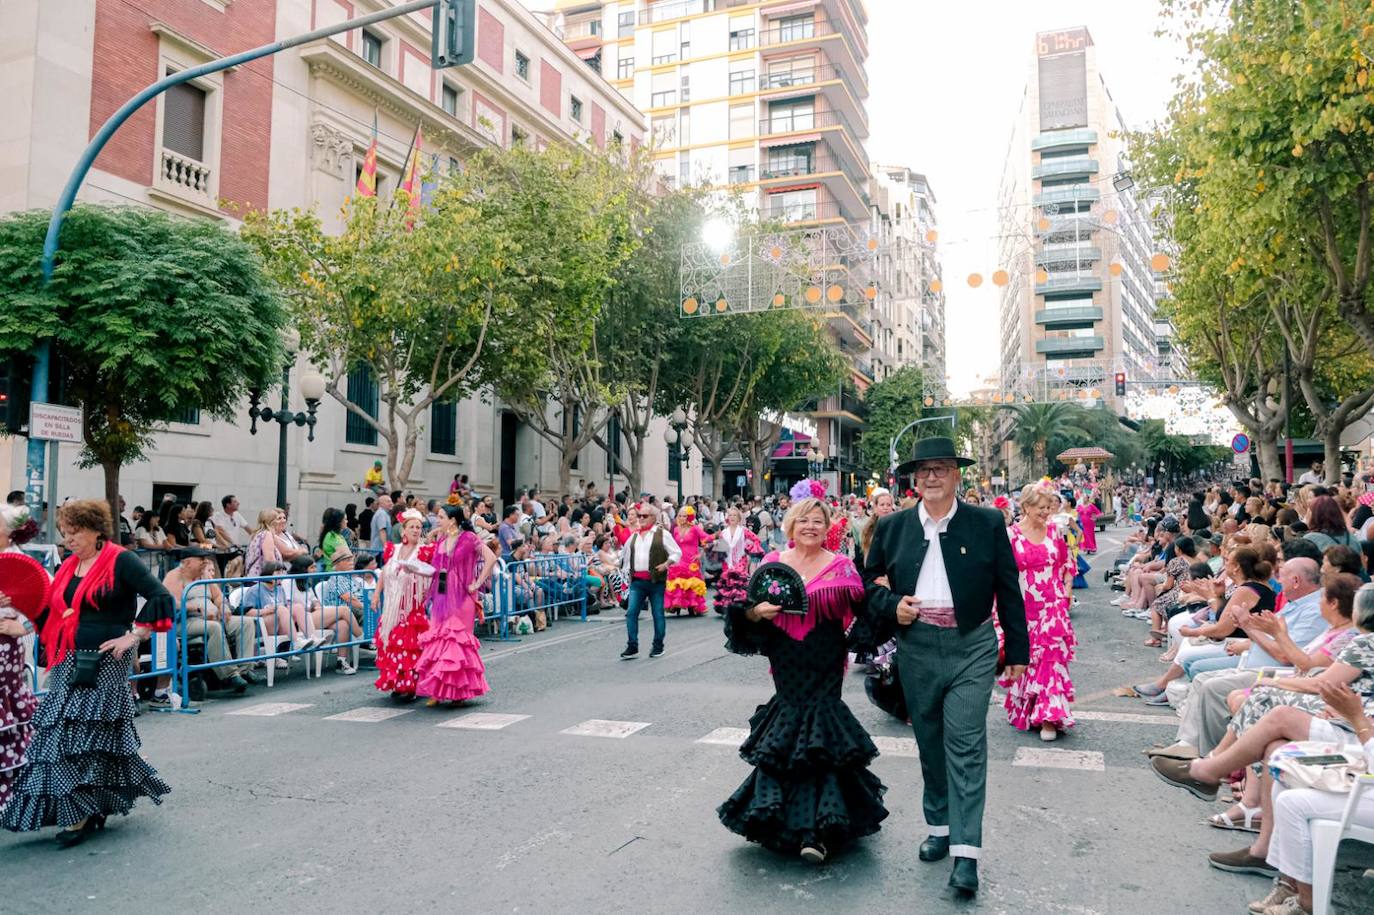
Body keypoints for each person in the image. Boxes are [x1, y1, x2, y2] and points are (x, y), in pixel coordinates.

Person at [863, 437, 1029, 897]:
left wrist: (1018, 652)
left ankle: (966, 854)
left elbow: (1008, 587)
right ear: (914, 479)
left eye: (941, 468)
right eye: (924, 470)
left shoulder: (987, 522)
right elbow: (866, 582)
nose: (932, 476)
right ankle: (939, 826)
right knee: (929, 741)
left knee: (966, 744)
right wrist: (892, 605)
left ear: (957, 475)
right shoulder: (892, 526)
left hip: (971, 645)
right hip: (916, 645)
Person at [718, 497, 890, 864]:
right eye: (803, 520)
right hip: (786, 657)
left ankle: (817, 833)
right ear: (791, 525)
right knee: (790, 727)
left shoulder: (841, 566)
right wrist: (757, 612)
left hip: (825, 655)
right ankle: (783, 818)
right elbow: (746, 612)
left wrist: (886, 600)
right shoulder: (773, 562)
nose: (810, 526)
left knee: (819, 735)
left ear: (827, 528)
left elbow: (866, 609)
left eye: (817, 521)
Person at [0, 499, 172, 845]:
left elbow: (161, 596)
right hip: (69, 656)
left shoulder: (121, 560)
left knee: (92, 736)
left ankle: (83, 813)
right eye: (65, 534)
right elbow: (49, 609)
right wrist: (16, 609)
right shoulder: (68, 566)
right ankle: (85, 807)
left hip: (107, 660)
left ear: (95, 530)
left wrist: (133, 636)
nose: (68, 540)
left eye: (74, 533)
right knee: (62, 735)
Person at [1003, 482, 1076, 741]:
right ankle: (1030, 707)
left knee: (1051, 659)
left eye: (1048, 507)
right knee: (1029, 659)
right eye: (1041, 508)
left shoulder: (1055, 531)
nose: (1046, 512)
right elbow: (1003, 574)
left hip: (1053, 605)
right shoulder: (1011, 535)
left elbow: (1066, 562)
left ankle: (1049, 717)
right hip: (1023, 606)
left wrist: (1067, 590)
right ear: (1025, 507)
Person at [415, 505, 495, 707]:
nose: (438, 520)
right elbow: (435, 570)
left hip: (462, 597)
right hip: (441, 596)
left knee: (456, 642)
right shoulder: (441, 540)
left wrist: (477, 583)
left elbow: (491, 558)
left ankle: (457, 692)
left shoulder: (469, 538)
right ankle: (437, 690)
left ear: (452, 520)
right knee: (438, 640)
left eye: (441, 517)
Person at [0, 504, 40, 811]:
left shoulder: (21, 563)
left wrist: (23, 626)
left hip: (6, 649)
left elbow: (45, 604)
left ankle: (13, 793)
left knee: (10, 707)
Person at [373, 509, 433, 701]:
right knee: (392, 644)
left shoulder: (424, 551)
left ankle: (411, 685)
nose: (416, 530)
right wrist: (376, 594)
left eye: (419, 527)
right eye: (412, 527)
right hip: (392, 606)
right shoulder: (393, 549)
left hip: (411, 607)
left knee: (410, 646)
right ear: (403, 530)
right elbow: (385, 572)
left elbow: (431, 573)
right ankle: (397, 683)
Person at [618, 503, 682, 659]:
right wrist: (623, 569)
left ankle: (658, 646)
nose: (640, 518)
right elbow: (624, 555)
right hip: (637, 582)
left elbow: (676, 552)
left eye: (644, 516)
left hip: (656, 581)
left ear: (653, 517)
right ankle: (632, 646)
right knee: (631, 613)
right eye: (639, 515)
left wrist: (666, 564)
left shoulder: (662, 534)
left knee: (657, 613)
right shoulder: (634, 536)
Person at [665, 506, 712, 617]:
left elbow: (708, 538)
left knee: (692, 583)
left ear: (689, 517)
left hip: (691, 560)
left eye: (684, 516)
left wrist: (700, 554)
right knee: (677, 582)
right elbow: (672, 544)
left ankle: (693, 605)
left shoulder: (694, 528)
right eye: (680, 516)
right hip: (679, 560)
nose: (682, 518)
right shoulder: (676, 529)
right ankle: (677, 604)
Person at [712, 506, 759, 615]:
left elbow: (756, 540)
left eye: (734, 515)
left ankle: (739, 606)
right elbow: (720, 548)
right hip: (727, 562)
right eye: (730, 515)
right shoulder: (723, 532)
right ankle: (727, 606)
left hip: (740, 561)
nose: (732, 517)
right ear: (727, 518)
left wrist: (749, 548)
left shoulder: (743, 531)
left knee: (738, 583)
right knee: (728, 583)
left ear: (738, 518)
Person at [318, 507, 349, 573]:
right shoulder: (331, 536)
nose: (347, 521)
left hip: (340, 571)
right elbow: (345, 555)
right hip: (333, 572)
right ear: (339, 521)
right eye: (345, 519)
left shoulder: (338, 536)